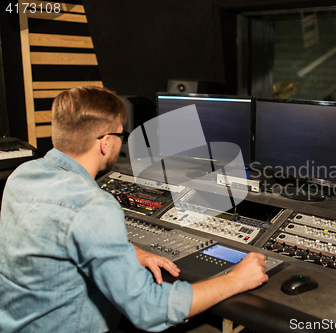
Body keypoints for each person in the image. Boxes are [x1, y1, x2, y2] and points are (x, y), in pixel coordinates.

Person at [0, 86, 268, 332]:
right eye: (120, 134)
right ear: (105, 143)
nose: (121, 142)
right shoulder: (94, 206)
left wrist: (129, 253)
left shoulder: (22, 175)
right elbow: (148, 309)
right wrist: (236, 280)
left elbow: (55, 241)